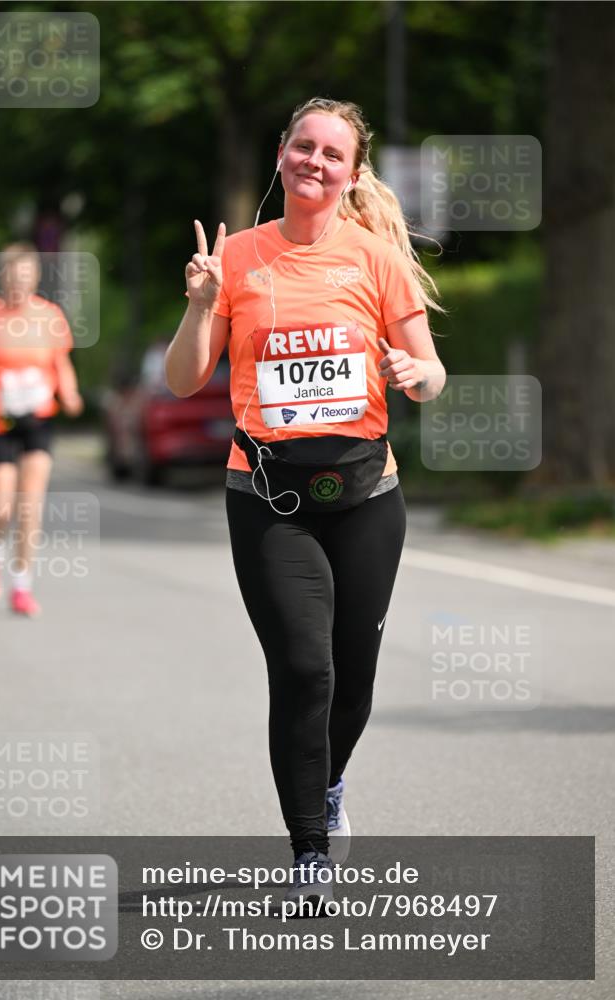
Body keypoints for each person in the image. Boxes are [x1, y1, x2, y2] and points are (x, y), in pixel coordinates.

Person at [165, 97, 446, 910]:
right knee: (301, 666)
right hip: (267, 493)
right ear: (281, 153)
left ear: (351, 174)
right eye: (302, 146)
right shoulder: (236, 259)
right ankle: (309, 850)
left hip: (365, 495)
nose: (314, 162)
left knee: (351, 678)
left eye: (331, 153)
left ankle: (326, 785)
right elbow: (187, 378)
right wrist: (197, 302)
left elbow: (430, 375)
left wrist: (410, 373)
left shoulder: (376, 258)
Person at [0, 242, 84, 617]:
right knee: (2, 503)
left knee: (30, 503)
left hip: (37, 418)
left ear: (36, 278)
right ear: (2, 278)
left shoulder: (49, 316)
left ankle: (21, 585)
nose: (19, 283)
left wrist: (71, 393)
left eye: (26, 277)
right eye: (13, 276)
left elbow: (61, 362)